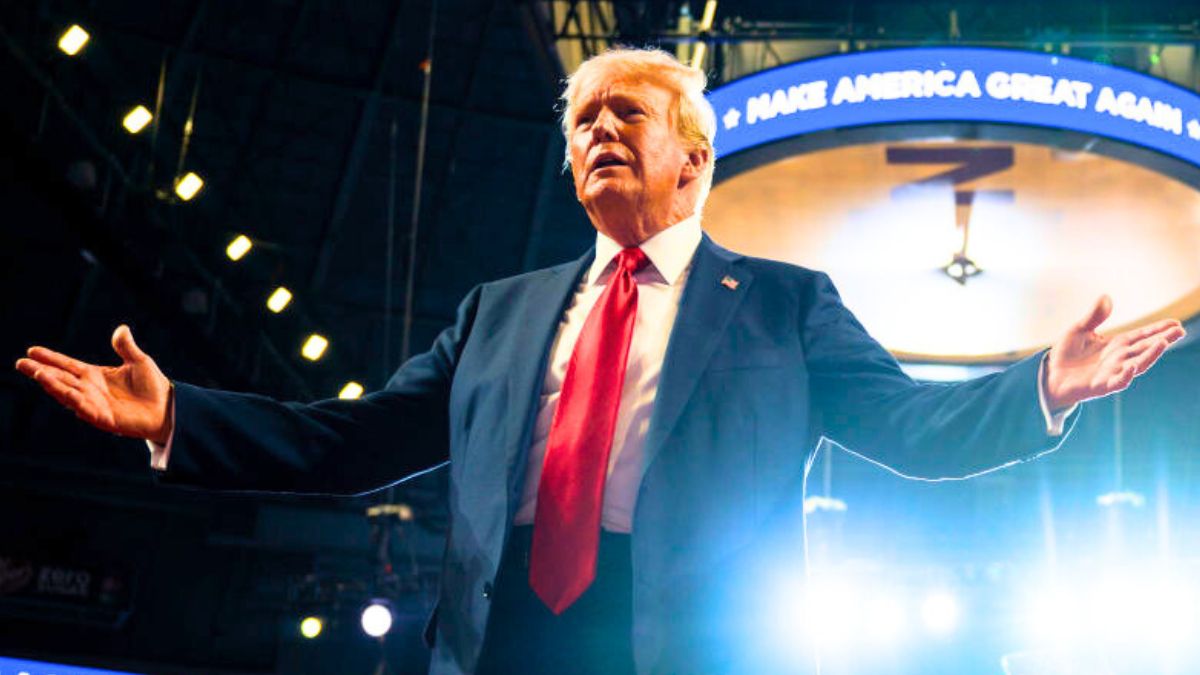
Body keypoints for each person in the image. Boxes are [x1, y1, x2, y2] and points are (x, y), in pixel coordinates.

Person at [16, 48, 1185, 675]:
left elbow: (911, 430)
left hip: (677, 639)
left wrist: (1045, 383)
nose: (598, 132)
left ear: (695, 159)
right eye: (582, 122)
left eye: (627, 112)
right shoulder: (500, 311)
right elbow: (356, 440)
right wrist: (182, 417)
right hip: (494, 638)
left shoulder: (780, 305)